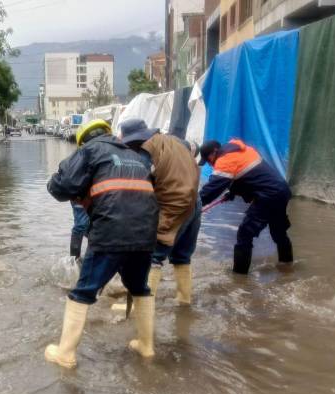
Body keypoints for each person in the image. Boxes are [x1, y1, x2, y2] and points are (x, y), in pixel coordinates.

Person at [45, 119, 159, 368]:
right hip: (145, 232)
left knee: (84, 291)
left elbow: (62, 186)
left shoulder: (90, 150)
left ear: (83, 140)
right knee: (140, 287)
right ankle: (146, 346)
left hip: (111, 232)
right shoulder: (138, 156)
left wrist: (58, 184)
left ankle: (65, 353)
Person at [120, 118, 201, 305]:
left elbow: (138, 191)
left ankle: (142, 309)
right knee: (182, 256)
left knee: (152, 257)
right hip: (195, 202)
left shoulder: (144, 153)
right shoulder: (175, 141)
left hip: (174, 206)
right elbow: (197, 150)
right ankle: (184, 300)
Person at [198, 139, 293, 274]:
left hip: (268, 196)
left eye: (208, 159)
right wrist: (232, 192)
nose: (209, 163)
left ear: (214, 151)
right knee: (278, 232)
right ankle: (287, 266)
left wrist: (193, 204)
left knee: (244, 234)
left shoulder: (224, 160)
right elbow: (249, 175)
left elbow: (210, 190)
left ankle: (239, 278)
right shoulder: (241, 150)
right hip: (281, 191)